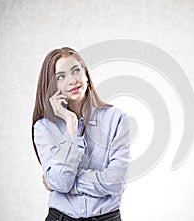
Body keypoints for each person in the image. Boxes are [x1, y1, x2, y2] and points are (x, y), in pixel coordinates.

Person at [31, 47, 130, 221]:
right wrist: (71, 123)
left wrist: (68, 183)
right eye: (61, 76)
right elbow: (61, 182)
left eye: (76, 71)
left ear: (86, 75)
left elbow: (115, 182)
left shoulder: (116, 119)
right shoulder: (44, 128)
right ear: (51, 85)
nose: (72, 80)